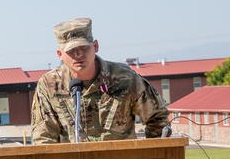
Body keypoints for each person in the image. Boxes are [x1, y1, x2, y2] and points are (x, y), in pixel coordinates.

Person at [31, 18, 169, 143]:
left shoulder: (125, 79)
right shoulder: (49, 85)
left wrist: (153, 156)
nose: (78, 55)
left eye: (84, 47)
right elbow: (43, 136)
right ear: (60, 54)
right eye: (71, 50)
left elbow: (157, 118)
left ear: (95, 46)